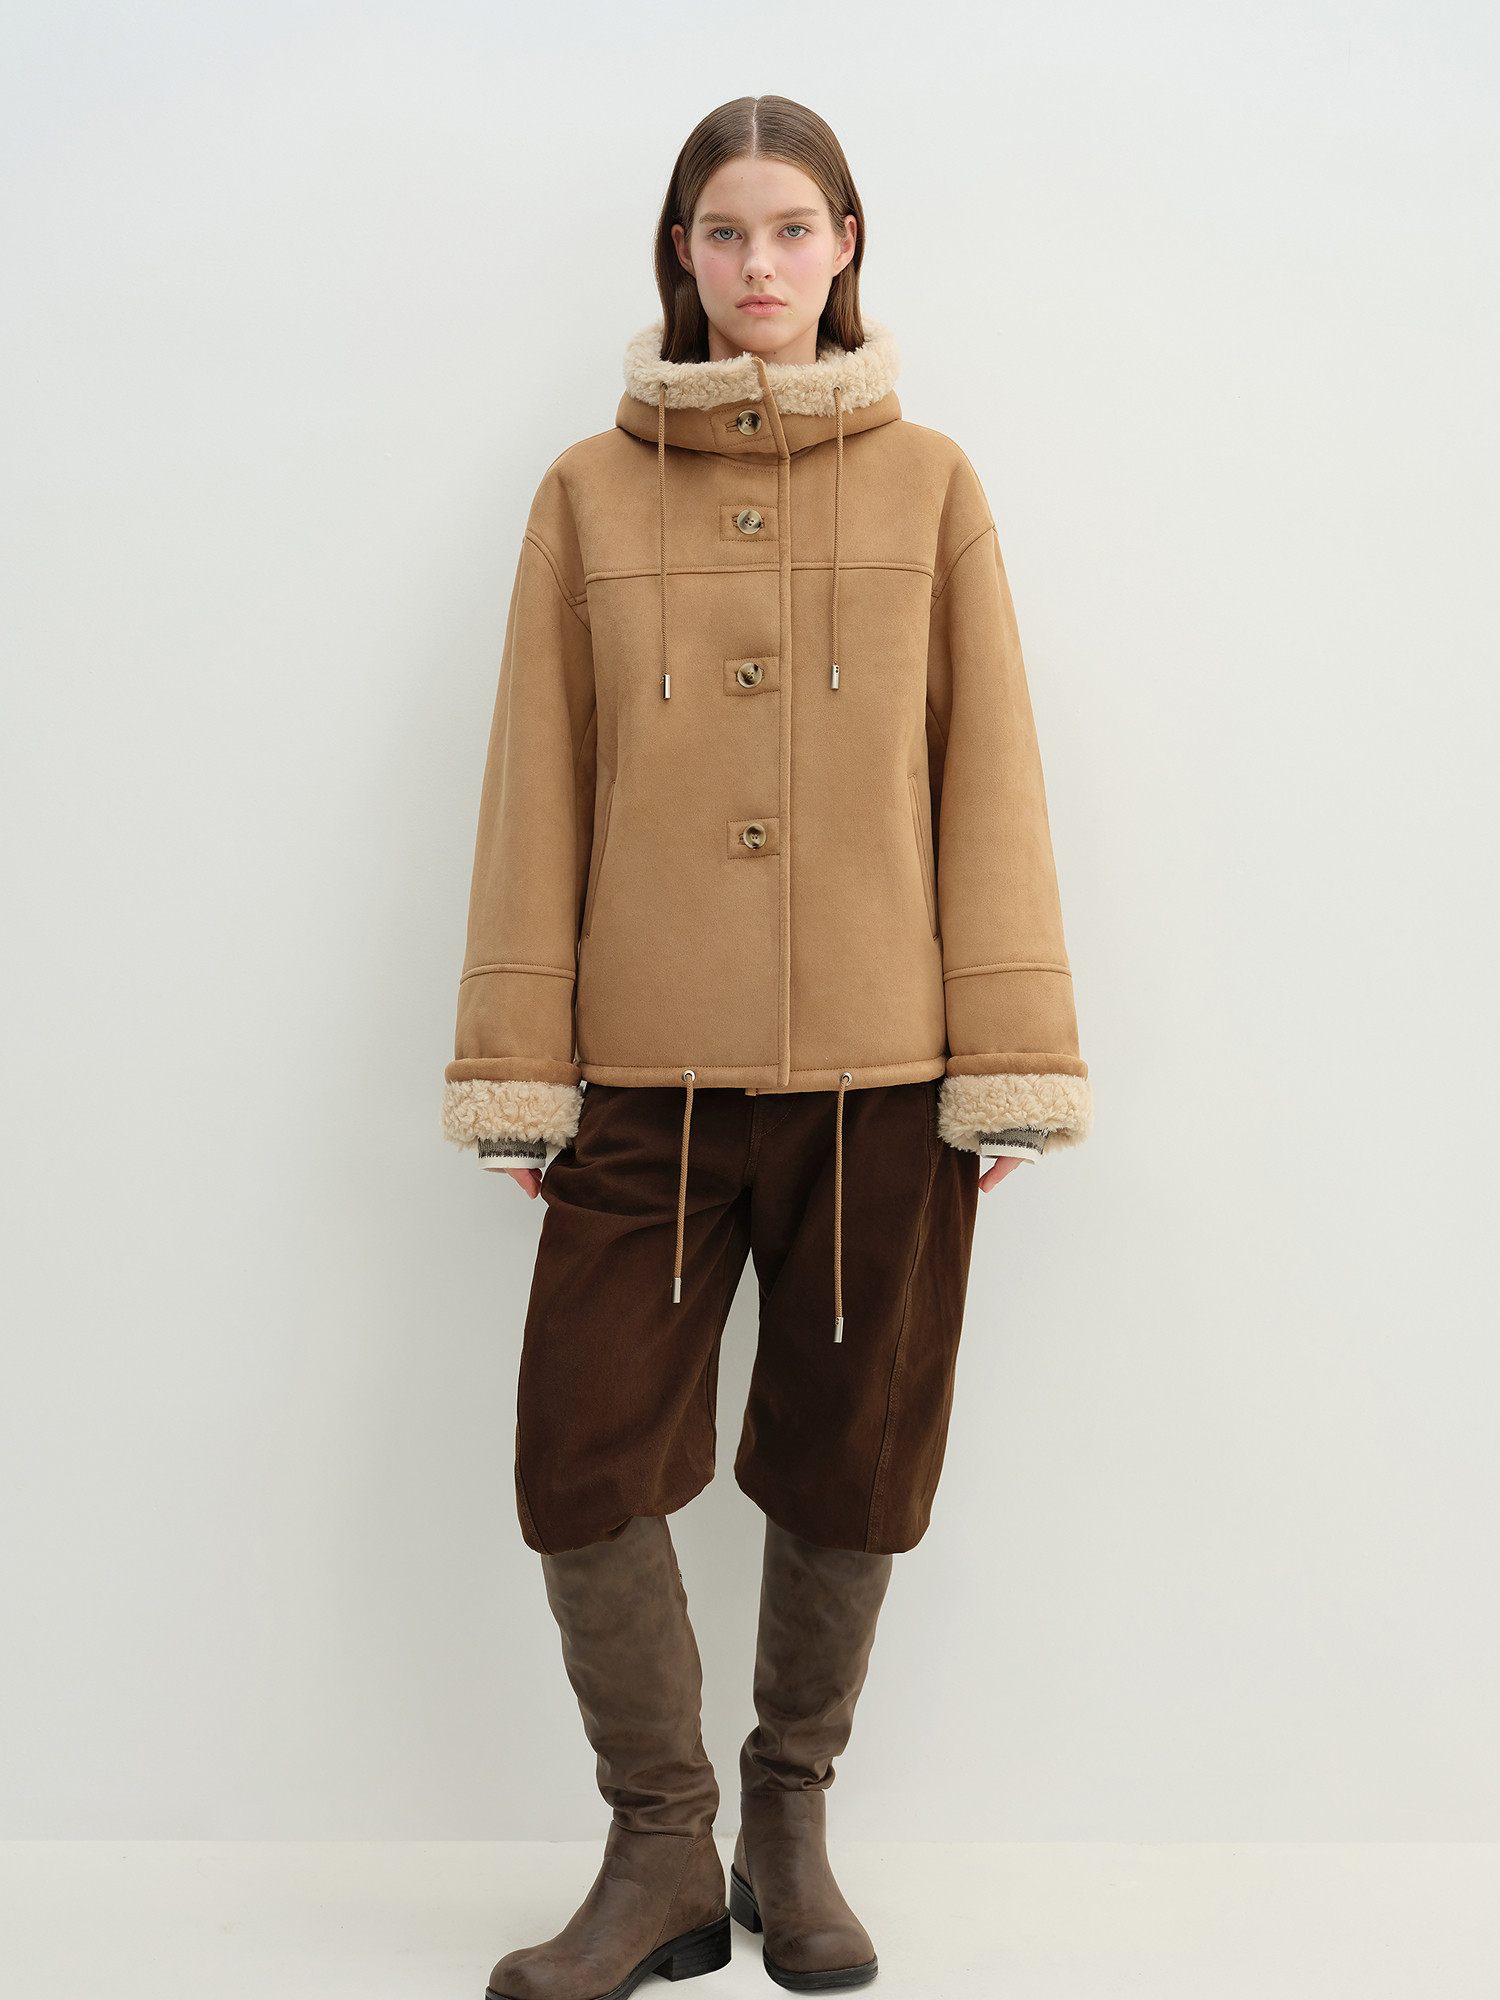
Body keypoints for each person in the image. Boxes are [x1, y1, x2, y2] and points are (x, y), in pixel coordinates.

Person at [442, 95, 1091, 2000]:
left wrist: (1008, 1053)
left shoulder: (931, 486)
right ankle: (660, 1847)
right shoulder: (586, 492)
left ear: (846, 244)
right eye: (723, 233)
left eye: (791, 230)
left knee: (851, 1455)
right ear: (681, 254)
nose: (758, 266)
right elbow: (534, 784)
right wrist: (520, 1064)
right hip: (645, 1080)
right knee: (579, 1453)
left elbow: (992, 773)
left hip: (885, 1080)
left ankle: (788, 1824)